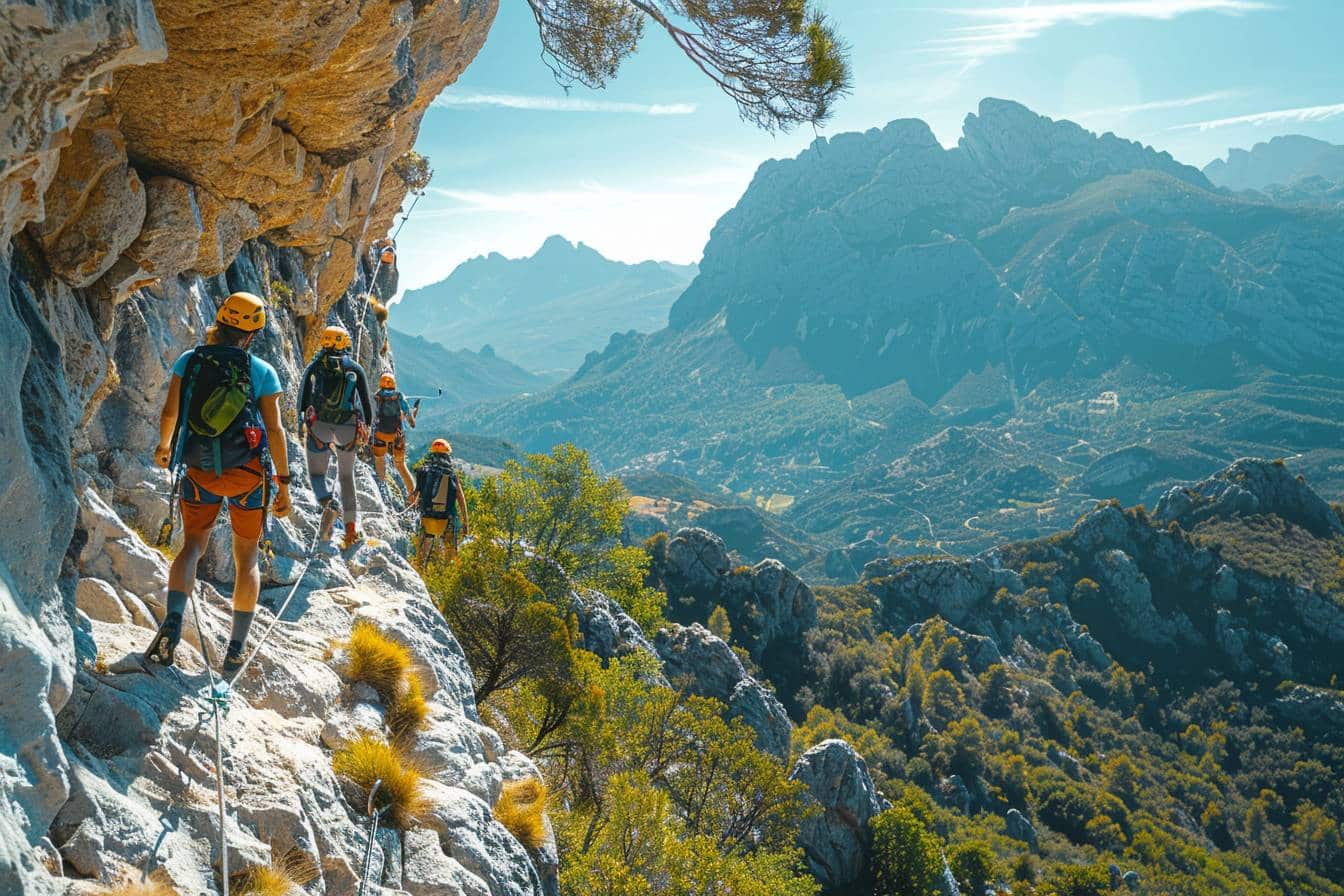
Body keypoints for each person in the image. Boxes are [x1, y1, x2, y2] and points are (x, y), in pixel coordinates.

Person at [146, 292, 292, 678]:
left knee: (193, 545)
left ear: (220, 321)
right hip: (247, 477)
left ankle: (174, 619)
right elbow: (274, 430)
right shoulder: (261, 371)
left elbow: (170, 412)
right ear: (252, 334)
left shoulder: (189, 360)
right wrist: (284, 482)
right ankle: (236, 648)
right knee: (247, 558)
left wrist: (163, 447)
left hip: (199, 470)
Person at [300, 324, 372, 550]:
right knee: (346, 477)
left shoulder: (314, 366)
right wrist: (367, 427)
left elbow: (303, 399)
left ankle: (329, 503)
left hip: (319, 426)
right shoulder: (354, 368)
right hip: (347, 428)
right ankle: (350, 530)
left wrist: (303, 421)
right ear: (345, 343)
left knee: (317, 475)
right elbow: (367, 404)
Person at [409, 439, 468, 565]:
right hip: (446, 520)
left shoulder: (424, 472)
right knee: (450, 554)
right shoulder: (451, 475)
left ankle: (420, 570)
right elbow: (461, 498)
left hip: (427, 519)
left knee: (422, 555)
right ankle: (448, 572)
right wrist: (465, 521)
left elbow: (416, 496)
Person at [370, 372, 416, 499]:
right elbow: (411, 422)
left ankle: (382, 488)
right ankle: (412, 497)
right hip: (397, 436)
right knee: (401, 465)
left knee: (380, 460)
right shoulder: (399, 397)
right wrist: (411, 419)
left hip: (380, 434)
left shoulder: (376, 397)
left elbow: (372, 416)